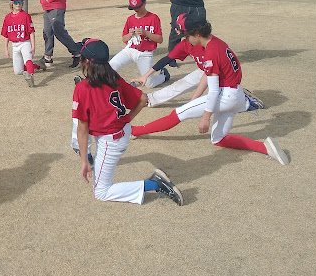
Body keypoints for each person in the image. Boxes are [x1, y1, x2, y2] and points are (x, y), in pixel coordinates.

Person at [129, 19, 290, 166]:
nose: (186, 39)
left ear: (197, 34)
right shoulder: (217, 43)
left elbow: (213, 91)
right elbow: (209, 76)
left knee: (178, 114)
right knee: (219, 139)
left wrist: (205, 118)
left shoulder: (211, 52)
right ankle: (264, 147)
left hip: (225, 96)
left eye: (188, 36)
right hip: (236, 94)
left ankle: (135, 131)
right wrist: (194, 99)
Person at [71, 38, 183, 206]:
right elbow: (143, 98)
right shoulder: (113, 77)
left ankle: (155, 184)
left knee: (101, 192)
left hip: (111, 140)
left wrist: (83, 161)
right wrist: (127, 119)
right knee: (102, 181)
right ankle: (154, 182)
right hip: (121, 131)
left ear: (86, 61)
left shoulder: (83, 88)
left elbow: (82, 128)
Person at [132, 12, 264, 110]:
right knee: (182, 83)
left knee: (218, 105)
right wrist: (145, 76)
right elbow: (167, 59)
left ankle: (246, 102)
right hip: (207, 71)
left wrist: (193, 99)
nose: (183, 37)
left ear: (196, 33)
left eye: (185, 34)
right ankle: (151, 99)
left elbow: (210, 75)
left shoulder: (210, 47)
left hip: (222, 77)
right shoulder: (187, 43)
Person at [107, 0, 169, 88]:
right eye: (134, 8)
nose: (136, 10)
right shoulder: (130, 19)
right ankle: (103, 85)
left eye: (138, 7)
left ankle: (163, 75)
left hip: (145, 54)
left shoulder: (153, 18)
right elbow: (124, 39)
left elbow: (160, 39)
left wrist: (146, 33)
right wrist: (130, 34)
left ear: (144, 3)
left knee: (149, 84)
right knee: (110, 66)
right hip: (130, 50)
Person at [1, 0, 37, 87]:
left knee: (27, 59)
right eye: (16, 2)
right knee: (18, 71)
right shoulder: (7, 18)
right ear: (11, 3)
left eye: (20, 2)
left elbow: (31, 32)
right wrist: (6, 49)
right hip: (15, 45)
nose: (18, 4)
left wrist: (33, 47)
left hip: (25, 42)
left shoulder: (25, 16)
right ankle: (36, 66)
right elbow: (6, 35)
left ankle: (31, 77)